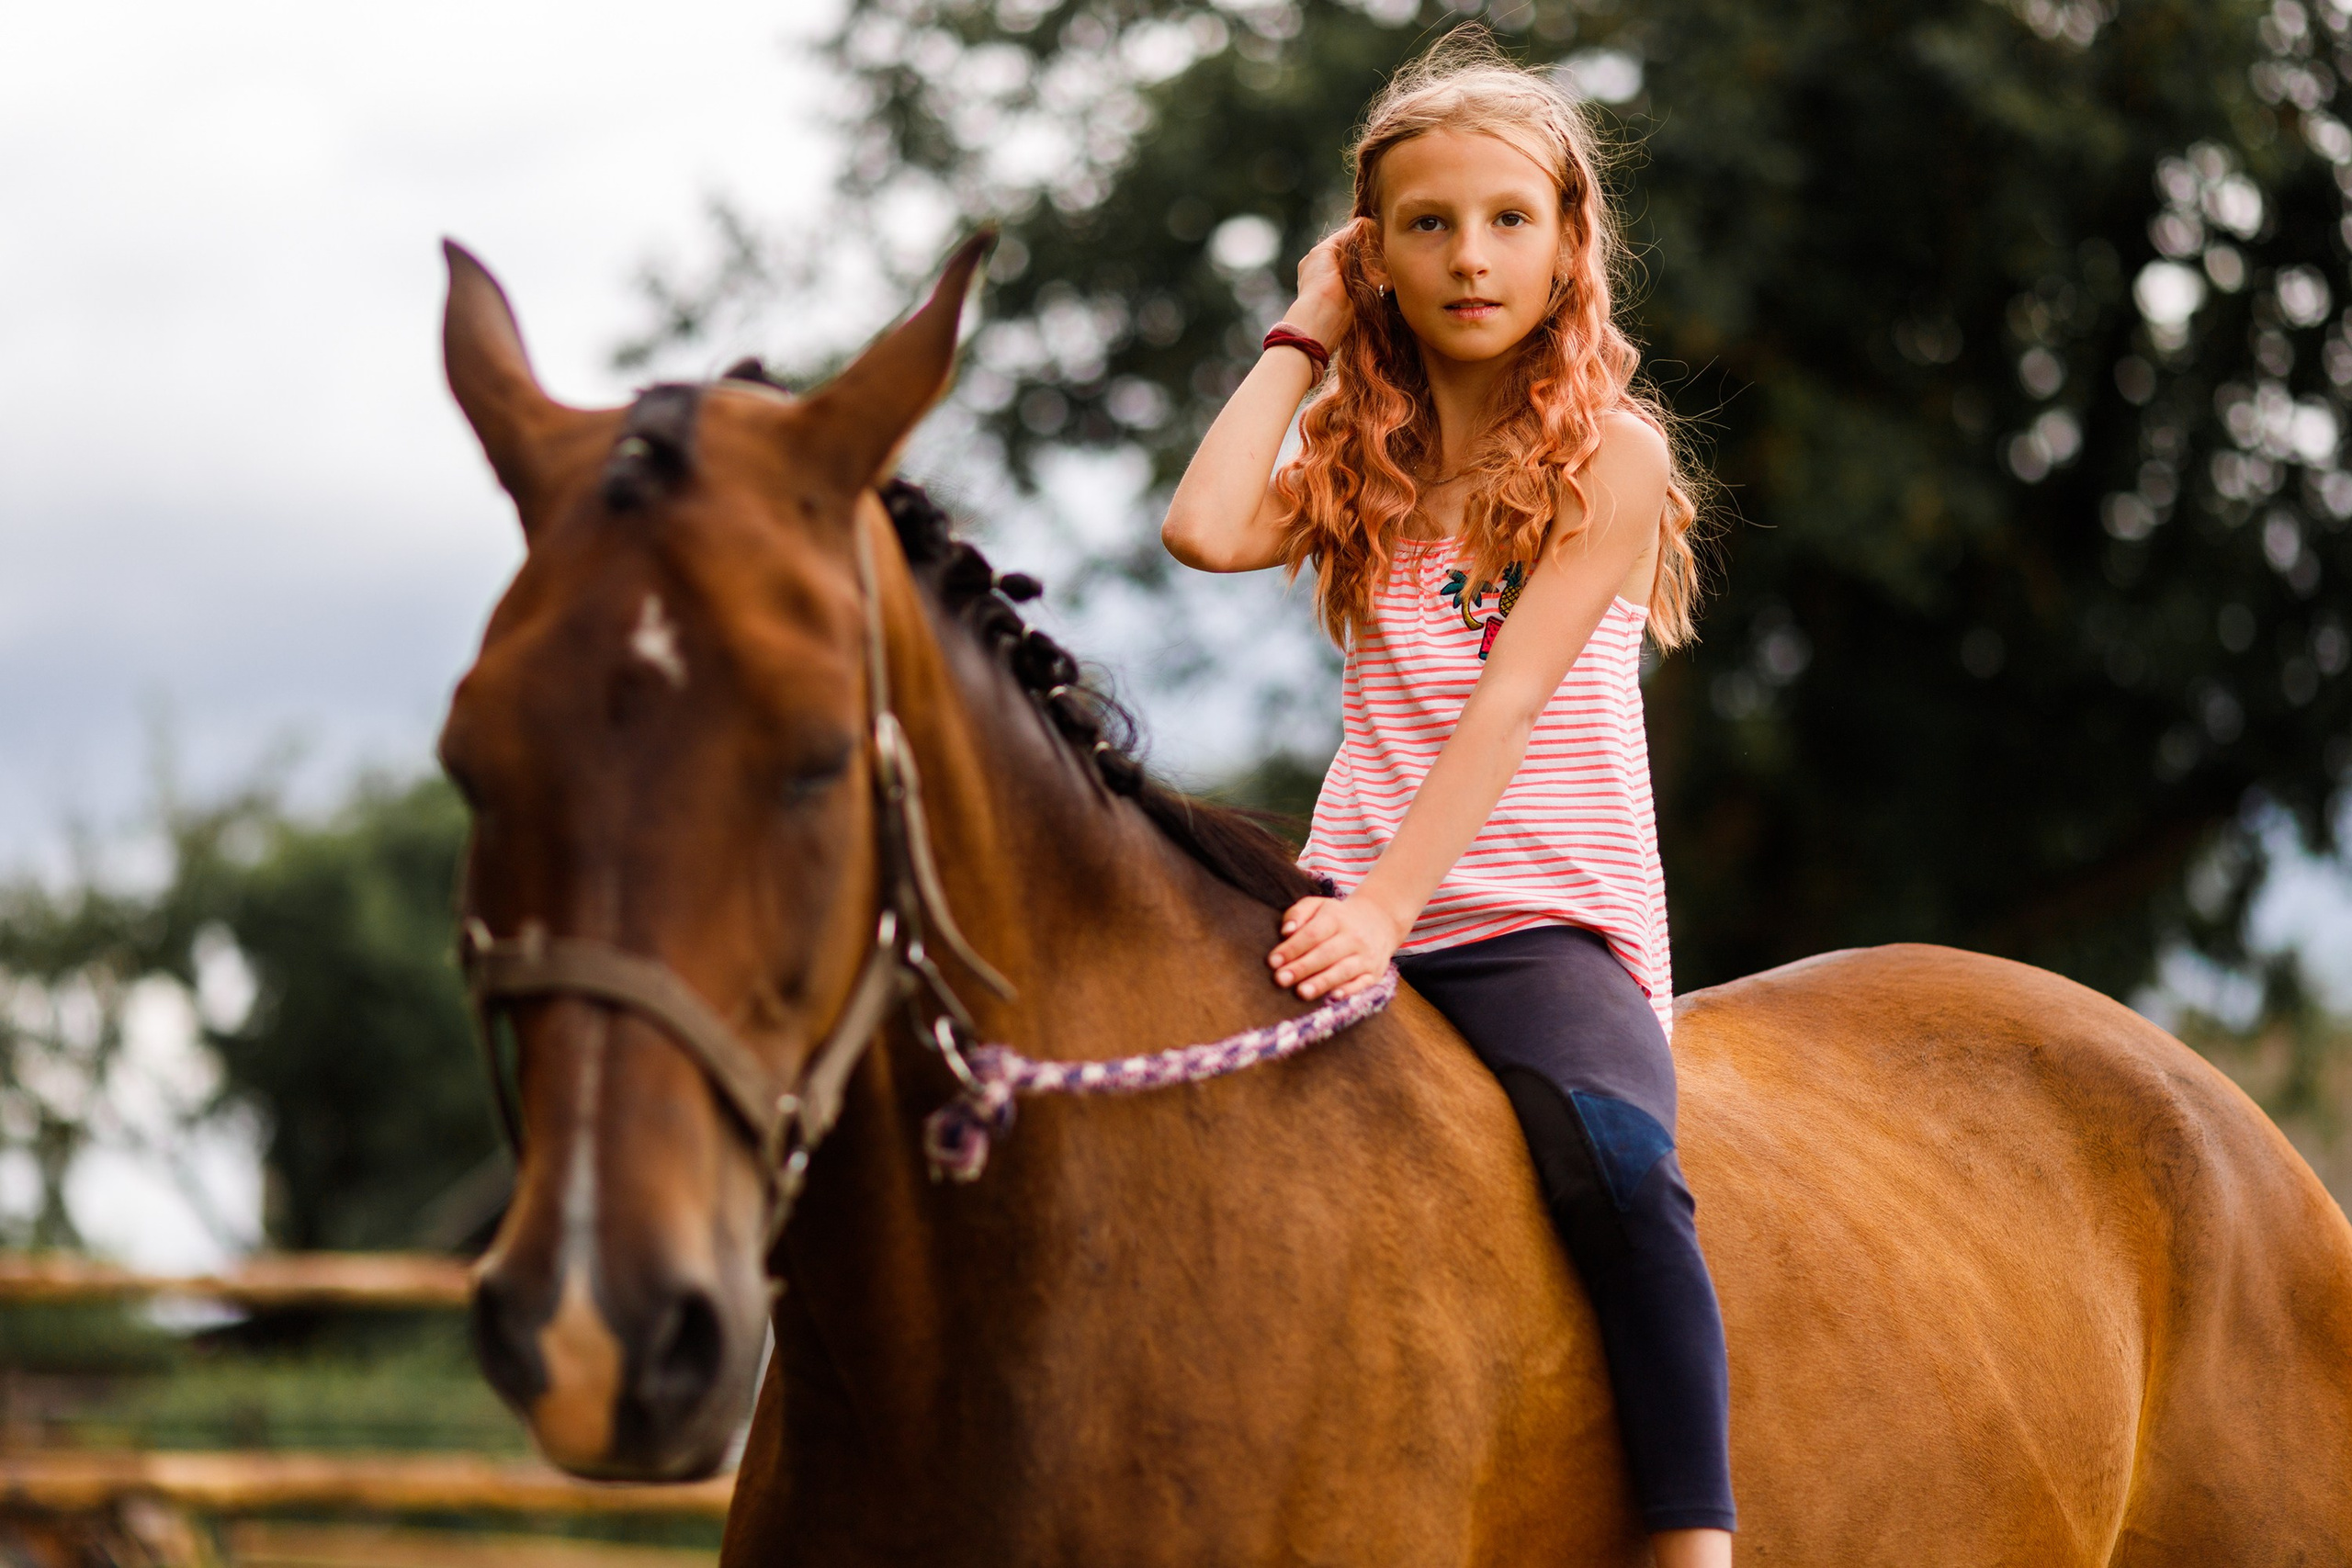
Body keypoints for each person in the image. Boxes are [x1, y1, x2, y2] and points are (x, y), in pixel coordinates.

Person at [1159, 29, 1733, 1568]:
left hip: (1534, 913)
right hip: (1347, 897)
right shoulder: (1371, 458)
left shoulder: (1610, 458)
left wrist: (1392, 914)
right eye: (1426, 225)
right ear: (1376, 257)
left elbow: (1512, 703)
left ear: (1566, 248)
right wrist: (1301, 334)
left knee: (1624, 1175)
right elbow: (1201, 527)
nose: (1468, 257)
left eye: (1505, 220)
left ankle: (1693, 1539)